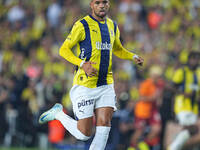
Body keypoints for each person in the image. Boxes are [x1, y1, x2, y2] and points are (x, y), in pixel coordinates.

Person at [39, 0, 143, 149]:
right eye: (98, 2)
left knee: (104, 126)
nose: (102, 5)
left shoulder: (113, 25)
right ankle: (58, 114)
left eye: (105, 2)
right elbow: (64, 49)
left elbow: (118, 49)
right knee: (84, 134)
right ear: (92, 5)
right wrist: (82, 64)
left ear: (108, 4)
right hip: (85, 84)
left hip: (106, 83)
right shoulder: (82, 25)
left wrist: (132, 56)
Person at [167, 51, 200, 150]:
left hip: (194, 108)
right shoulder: (182, 72)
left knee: (190, 133)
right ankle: (173, 147)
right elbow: (171, 87)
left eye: (197, 59)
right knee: (191, 129)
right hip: (182, 105)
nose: (196, 61)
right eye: (194, 58)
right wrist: (183, 93)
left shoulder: (198, 73)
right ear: (189, 59)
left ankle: (174, 147)